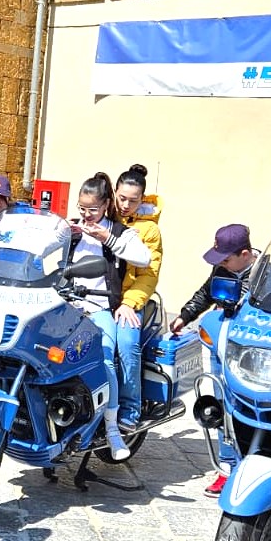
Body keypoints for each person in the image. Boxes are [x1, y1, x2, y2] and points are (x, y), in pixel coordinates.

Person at [169, 223, 259, 496]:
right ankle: (226, 467)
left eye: (226, 259)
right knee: (220, 404)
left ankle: (248, 467)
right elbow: (205, 293)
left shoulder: (266, 273)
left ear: (245, 254)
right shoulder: (223, 268)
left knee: (243, 407)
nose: (221, 264)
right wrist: (184, 315)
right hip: (218, 345)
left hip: (246, 352)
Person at [67, 172, 152, 460]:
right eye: (82, 208)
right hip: (68, 305)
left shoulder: (119, 231)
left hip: (100, 307)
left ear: (104, 205)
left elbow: (143, 258)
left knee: (105, 358)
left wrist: (108, 237)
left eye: (92, 209)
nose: (86, 214)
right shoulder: (74, 227)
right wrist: (63, 231)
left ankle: (114, 429)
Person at [113, 164, 162, 432]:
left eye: (133, 200)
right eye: (122, 198)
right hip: (97, 297)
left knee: (126, 345)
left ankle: (130, 407)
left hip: (129, 301)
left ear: (142, 200)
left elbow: (148, 274)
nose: (125, 205)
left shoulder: (149, 231)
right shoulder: (102, 216)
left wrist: (128, 303)